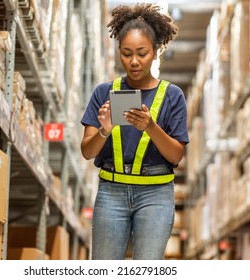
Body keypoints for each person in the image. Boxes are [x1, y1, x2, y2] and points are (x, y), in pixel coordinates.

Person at [80, 3, 189, 260]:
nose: (134, 61)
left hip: (156, 194)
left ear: (155, 52)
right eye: (127, 53)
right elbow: (86, 151)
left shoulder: (173, 96)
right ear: (119, 52)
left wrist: (151, 127)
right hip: (111, 191)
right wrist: (104, 131)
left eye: (142, 53)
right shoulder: (102, 93)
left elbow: (176, 156)